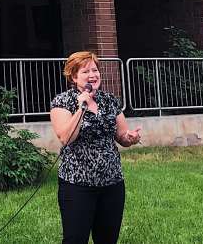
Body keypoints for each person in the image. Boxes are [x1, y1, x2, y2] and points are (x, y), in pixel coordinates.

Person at [49, 51, 142, 244]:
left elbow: (121, 137)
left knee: (107, 239)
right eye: (86, 71)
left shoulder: (109, 101)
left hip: (112, 182)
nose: (93, 75)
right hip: (77, 184)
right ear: (74, 77)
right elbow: (66, 137)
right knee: (75, 239)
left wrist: (130, 137)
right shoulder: (62, 102)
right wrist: (81, 107)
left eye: (95, 70)